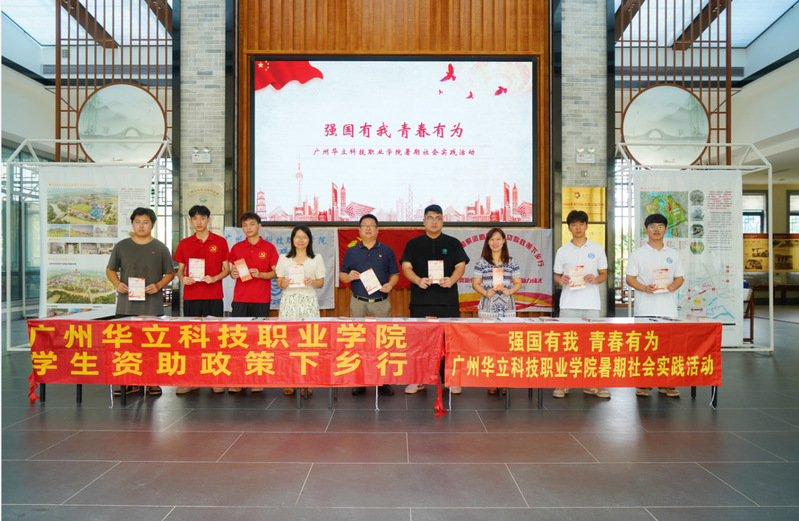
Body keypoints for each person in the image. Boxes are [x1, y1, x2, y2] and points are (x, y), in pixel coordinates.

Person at [106, 207, 174, 396]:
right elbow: (110, 270)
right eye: (137, 221)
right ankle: (130, 382)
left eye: (145, 222)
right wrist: (117, 284)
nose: (141, 225)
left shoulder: (160, 248)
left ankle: (152, 381)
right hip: (126, 305)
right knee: (126, 345)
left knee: (152, 345)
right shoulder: (122, 246)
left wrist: (158, 285)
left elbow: (170, 273)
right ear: (132, 224)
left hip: (151, 305)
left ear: (152, 224)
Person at [400, 204, 469, 394]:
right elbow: (406, 267)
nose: (434, 222)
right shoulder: (413, 244)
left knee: (449, 342)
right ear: (424, 221)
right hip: (421, 301)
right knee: (420, 343)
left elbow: (460, 266)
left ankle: (450, 379)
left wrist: (452, 279)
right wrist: (417, 280)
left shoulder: (453, 243)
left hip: (447, 301)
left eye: (438, 218)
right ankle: (418, 380)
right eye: (430, 218)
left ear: (443, 221)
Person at [172, 205, 231, 395]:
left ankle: (215, 379)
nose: (199, 222)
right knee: (191, 339)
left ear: (208, 220)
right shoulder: (184, 243)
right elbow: (180, 270)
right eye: (195, 218)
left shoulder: (220, 242)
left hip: (214, 295)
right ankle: (192, 380)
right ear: (190, 221)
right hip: (192, 296)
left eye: (202, 218)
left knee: (214, 338)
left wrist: (215, 278)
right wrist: (183, 279)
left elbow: (227, 269)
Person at [625, 212, 685, 398]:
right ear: (646, 230)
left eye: (660, 226)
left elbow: (680, 278)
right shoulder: (638, 254)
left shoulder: (673, 254)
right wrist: (644, 288)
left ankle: (666, 383)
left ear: (666, 230)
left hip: (668, 308)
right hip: (645, 308)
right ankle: (643, 383)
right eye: (652, 227)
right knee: (645, 347)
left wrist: (674, 285)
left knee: (668, 348)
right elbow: (629, 278)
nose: (656, 230)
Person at [340, 214, 400, 396]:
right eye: (364, 226)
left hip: (380, 303)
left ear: (377, 229)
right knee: (358, 341)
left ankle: (383, 382)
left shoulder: (387, 251)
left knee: (382, 342)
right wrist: (348, 276)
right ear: (359, 230)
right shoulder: (352, 251)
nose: (368, 229)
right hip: (358, 302)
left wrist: (391, 285)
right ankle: (360, 381)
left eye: (371, 226)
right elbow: (342, 275)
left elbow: (395, 275)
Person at [552, 210, 610, 399]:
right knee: (566, 346)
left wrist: (596, 279)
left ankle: (593, 385)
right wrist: (560, 280)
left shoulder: (597, 249)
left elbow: (604, 274)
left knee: (592, 346)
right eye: (574, 224)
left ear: (586, 226)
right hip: (568, 304)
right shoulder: (562, 251)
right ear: (569, 228)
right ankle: (562, 385)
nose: (578, 227)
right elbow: (556, 275)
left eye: (581, 224)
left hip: (591, 304)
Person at [228, 211, 279, 393]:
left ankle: (257, 378)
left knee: (259, 339)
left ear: (259, 226)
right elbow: (232, 271)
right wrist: (234, 273)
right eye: (245, 225)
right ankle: (238, 379)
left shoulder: (269, 247)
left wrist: (262, 274)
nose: (248, 228)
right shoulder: (236, 248)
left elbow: (276, 273)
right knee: (239, 339)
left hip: (260, 299)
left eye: (251, 224)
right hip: (240, 299)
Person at [471, 227, 523, 394]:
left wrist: (510, 290)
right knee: (488, 344)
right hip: (488, 307)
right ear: (488, 242)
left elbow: (518, 282)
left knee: (506, 344)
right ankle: (491, 380)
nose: (495, 242)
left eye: (498, 239)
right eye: (492, 239)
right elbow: (475, 283)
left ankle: (504, 380)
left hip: (507, 307)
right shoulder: (481, 262)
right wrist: (486, 292)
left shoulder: (512, 262)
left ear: (504, 241)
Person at [276, 225, 326, 396]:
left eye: (304, 237)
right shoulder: (284, 258)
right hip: (289, 301)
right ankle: (289, 380)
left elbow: (320, 283)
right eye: (297, 237)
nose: (300, 240)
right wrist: (283, 283)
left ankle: (307, 380)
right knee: (288, 341)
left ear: (309, 240)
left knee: (307, 341)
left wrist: (312, 282)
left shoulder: (316, 258)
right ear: (292, 239)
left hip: (308, 301)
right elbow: (279, 282)